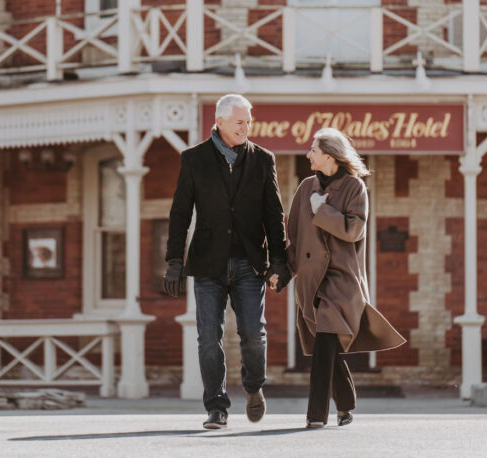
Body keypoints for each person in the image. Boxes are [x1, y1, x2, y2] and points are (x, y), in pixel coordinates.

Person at [163, 94, 290, 430]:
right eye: (240, 122)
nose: (246, 128)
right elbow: (179, 212)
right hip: (208, 265)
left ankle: (253, 388)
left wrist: (279, 260)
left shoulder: (263, 160)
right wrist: (174, 260)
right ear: (220, 121)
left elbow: (274, 214)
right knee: (208, 338)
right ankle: (216, 407)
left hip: (250, 263)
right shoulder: (193, 159)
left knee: (253, 336)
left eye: (249, 121)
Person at [284, 127, 406, 428]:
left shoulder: (354, 188)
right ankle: (347, 403)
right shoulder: (305, 188)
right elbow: (295, 239)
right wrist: (282, 273)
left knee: (325, 341)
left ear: (329, 154)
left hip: (341, 281)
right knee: (328, 344)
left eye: (313, 149)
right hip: (311, 282)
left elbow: (354, 230)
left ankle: (315, 415)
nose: (308, 154)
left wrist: (322, 211)